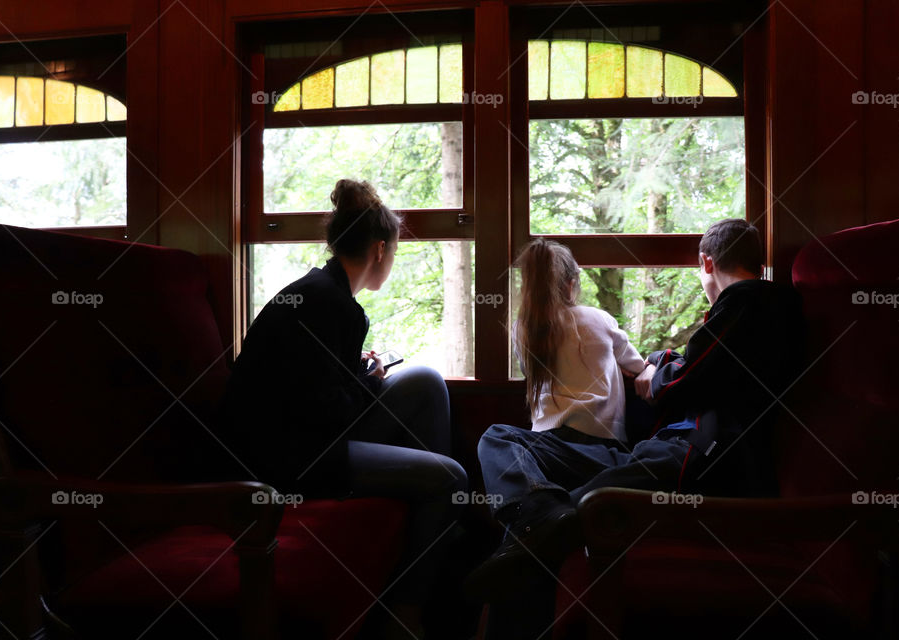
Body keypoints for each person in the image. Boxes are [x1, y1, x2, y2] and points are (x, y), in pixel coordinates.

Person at [467, 219, 805, 639]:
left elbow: (690, 374)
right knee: (565, 505)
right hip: (680, 446)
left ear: (706, 262)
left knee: (552, 499)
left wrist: (660, 374)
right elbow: (699, 363)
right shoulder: (753, 309)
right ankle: (540, 522)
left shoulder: (747, 302)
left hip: (704, 453)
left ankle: (532, 535)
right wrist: (662, 363)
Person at [221, 179, 467, 639]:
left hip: (298, 434)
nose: (391, 260)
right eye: (393, 252)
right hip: (290, 458)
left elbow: (311, 382)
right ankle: (407, 608)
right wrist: (368, 384)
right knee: (452, 478)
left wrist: (357, 374)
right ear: (379, 250)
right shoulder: (333, 305)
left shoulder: (320, 291)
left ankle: (432, 530)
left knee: (427, 382)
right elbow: (327, 411)